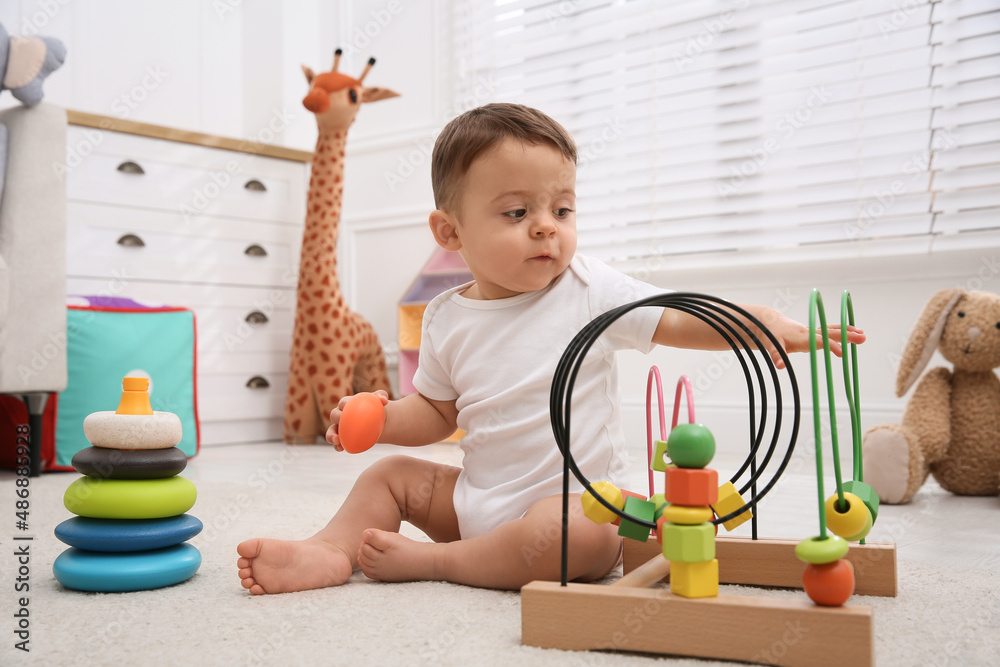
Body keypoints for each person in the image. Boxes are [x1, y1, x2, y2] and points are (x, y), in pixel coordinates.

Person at [236, 103, 865, 593]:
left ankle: (441, 565)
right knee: (390, 478)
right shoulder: (446, 316)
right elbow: (436, 413)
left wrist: (757, 324)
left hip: (571, 507)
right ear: (450, 231)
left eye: (562, 209)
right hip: (475, 501)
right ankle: (329, 549)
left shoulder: (590, 289)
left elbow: (673, 318)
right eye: (516, 212)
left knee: (584, 536)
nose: (546, 226)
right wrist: (377, 421)